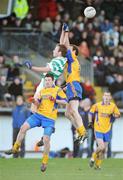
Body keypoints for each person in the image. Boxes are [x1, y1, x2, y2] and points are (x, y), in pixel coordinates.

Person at [5, 74, 67, 172]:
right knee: (23, 127)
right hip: (38, 115)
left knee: (46, 139)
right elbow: (38, 104)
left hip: (49, 118)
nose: (46, 82)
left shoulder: (57, 90)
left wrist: (55, 99)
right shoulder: (41, 91)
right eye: (45, 80)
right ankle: (15, 148)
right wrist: (34, 101)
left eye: (48, 80)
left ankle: (44, 161)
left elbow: (66, 101)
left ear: (52, 81)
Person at [61, 23, 87, 143]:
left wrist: (66, 32)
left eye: (71, 49)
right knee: (67, 113)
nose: (68, 49)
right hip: (71, 86)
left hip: (74, 85)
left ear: (74, 52)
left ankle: (83, 132)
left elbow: (65, 45)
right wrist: (63, 32)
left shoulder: (73, 59)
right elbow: (62, 46)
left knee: (74, 111)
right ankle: (79, 131)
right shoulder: (71, 61)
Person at [89, 92, 120, 169]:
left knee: (103, 150)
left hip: (108, 130)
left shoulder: (113, 106)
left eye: (108, 96)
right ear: (103, 97)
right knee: (101, 146)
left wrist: (113, 115)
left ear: (110, 98)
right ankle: (93, 158)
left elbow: (118, 114)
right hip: (98, 129)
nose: (106, 97)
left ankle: (97, 165)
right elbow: (90, 113)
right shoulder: (97, 105)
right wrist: (90, 122)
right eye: (105, 95)